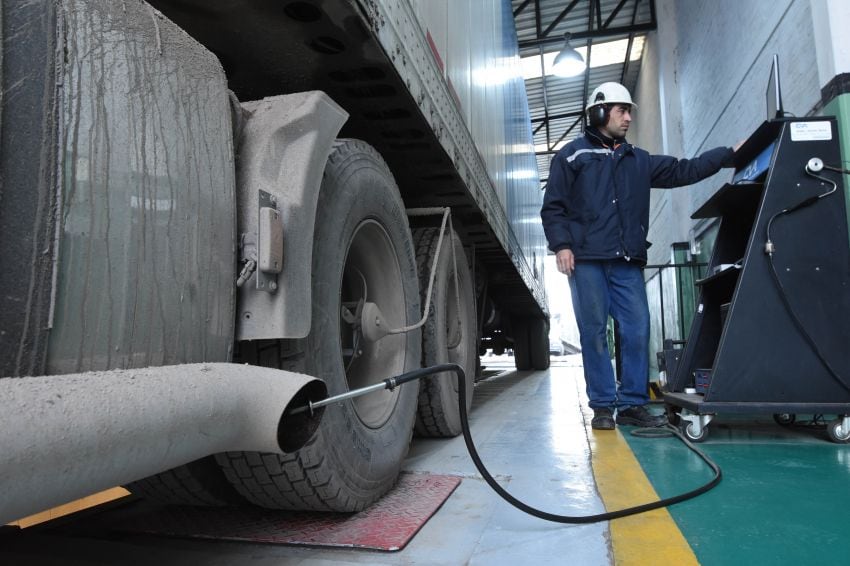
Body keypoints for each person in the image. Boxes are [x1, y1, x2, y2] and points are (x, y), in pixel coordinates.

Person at [540, 82, 737, 430]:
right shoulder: (570, 156)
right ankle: (602, 406)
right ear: (600, 112)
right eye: (622, 110)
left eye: (630, 111)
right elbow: (553, 206)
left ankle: (632, 403)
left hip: (627, 261)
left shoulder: (639, 161)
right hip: (586, 261)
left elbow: (685, 170)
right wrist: (562, 245)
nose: (629, 118)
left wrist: (727, 155)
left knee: (636, 329)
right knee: (594, 332)